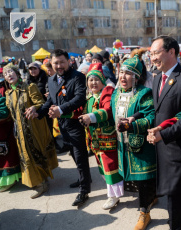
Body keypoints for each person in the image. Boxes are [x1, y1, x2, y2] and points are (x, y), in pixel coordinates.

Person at [147, 35, 181, 230]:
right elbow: (158, 110)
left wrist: (164, 134)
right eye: (150, 54)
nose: (152, 58)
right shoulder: (157, 78)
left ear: (171, 52)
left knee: (173, 201)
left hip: (178, 150)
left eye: (156, 53)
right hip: (161, 147)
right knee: (173, 197)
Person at [30, 49, 92, 206]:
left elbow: (79, 98)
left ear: (69, 61)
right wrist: (38, 112)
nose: (59, 65)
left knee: (80, 155)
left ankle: (84, 190)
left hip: (75, 122)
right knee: (72, 153)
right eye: (55, 63)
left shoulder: (77, 77)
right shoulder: (51, 80)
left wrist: (62, 109)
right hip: (62, 125)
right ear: (51, 63)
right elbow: (50, 100)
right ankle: (84, 178)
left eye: (62, 62)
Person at [111, 52, 157, 230]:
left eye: (129, 73)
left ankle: (144, 213)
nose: (123, 76)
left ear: (137, 78)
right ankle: (151, 199)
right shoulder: (116, 94)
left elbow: (151, 116)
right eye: (122, 72)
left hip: (141, 148)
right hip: (123, 146)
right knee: (135, 182)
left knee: (144, 180)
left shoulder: (144, 94)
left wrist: (132, 125)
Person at [4, 64, 58, 199]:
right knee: (26, 157)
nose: (9, 75)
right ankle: (39, 182)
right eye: (6, 74)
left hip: (33, 129)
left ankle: (42, 184)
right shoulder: (8, 93)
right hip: (19, 132)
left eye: (11, 72)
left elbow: (40, 101)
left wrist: (34, 107)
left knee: (35, 154)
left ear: (17, 73)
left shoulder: (29, 87)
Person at [79, 63, 124, 210]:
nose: (93, 83)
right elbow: (80, 111)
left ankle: (114, 196)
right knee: (103, 167)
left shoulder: (108, 91)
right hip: (96, 141)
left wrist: (90, 116)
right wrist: (62, 111)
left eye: (96, 80)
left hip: (108, 138)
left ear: (102, 80)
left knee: (110, 166)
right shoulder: (91, 98)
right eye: (90, 80)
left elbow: (108, 110)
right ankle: (115, 192)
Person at [0, 86, 21, 192]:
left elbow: (3, 115)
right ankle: (0, 182)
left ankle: (10, 180)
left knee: (7, 160)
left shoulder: (0, 100)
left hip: (4, 137)